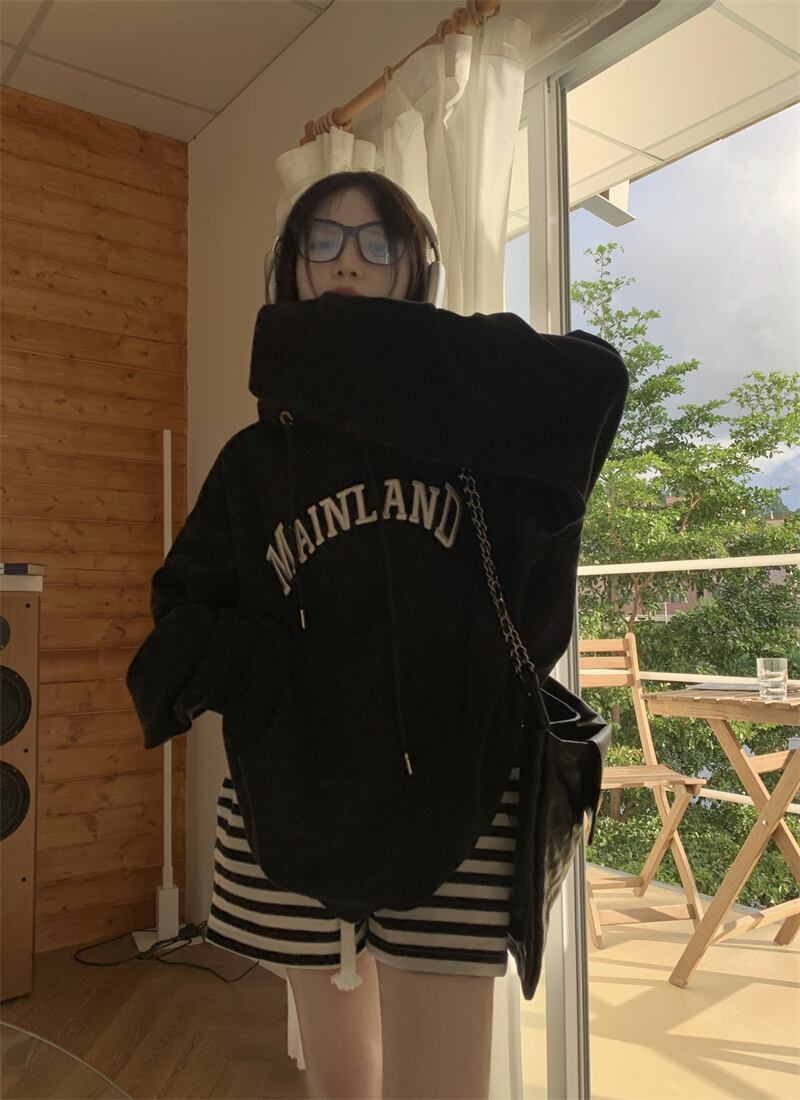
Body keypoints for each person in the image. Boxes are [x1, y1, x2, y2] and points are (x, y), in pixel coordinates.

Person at [127, 170, 630, 1100]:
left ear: (414, 266)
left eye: (376, 241)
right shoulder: (257, 458)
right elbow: (186, 603)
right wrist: (264, 684)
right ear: (293, 265)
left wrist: (378, 353)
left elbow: (596, 381)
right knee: (338, 1083)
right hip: (295, 792)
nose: (347, 260)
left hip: (458, 793)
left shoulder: (481, 432)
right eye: (322, 239)